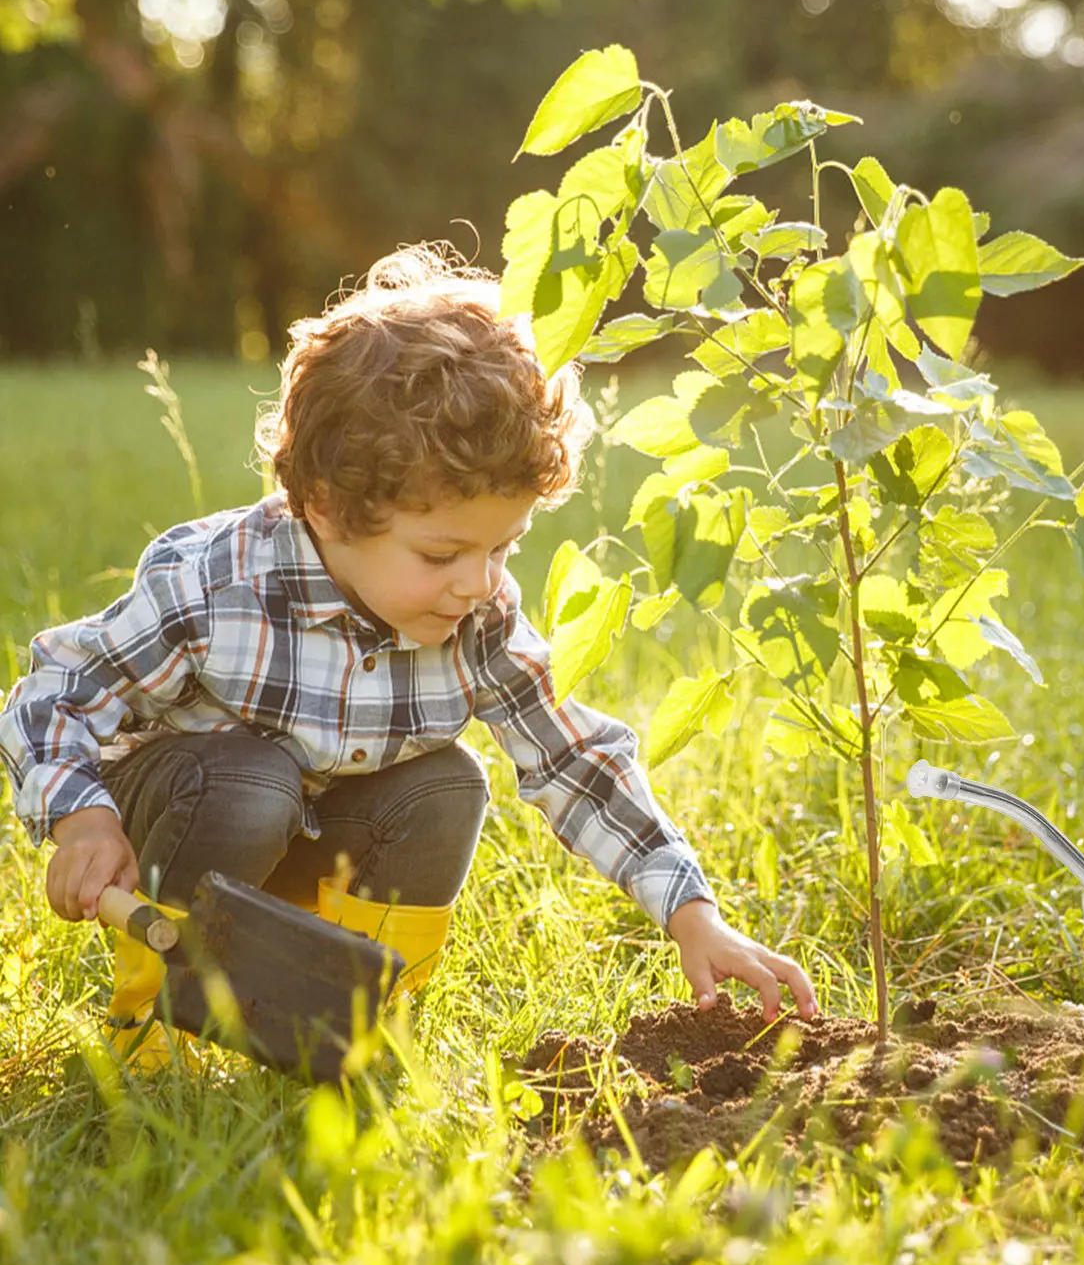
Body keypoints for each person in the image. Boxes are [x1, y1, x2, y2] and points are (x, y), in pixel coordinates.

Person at [0, 243, 817, 1066]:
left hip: (320, 838)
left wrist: (693, 914)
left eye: (504, 549)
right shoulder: (217, 591)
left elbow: (575, 758)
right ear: (325, 506)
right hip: (195, 819)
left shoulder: (478, 615)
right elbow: (56, 691)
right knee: (252, 782)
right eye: (441, 555)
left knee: (447, 784)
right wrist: (83, 818)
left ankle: (343, 1022)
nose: (477, 583)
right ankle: (159, 1030)